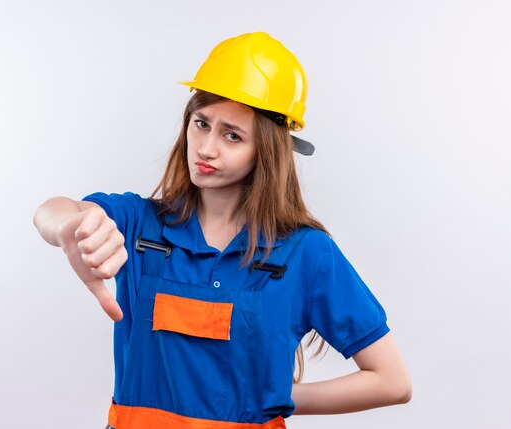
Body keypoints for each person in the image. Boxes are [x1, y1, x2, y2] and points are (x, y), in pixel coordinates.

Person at [34, 32, 411, 429]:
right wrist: (68, 226)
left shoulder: (304, 253)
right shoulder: (140, 224)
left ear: (267, 149)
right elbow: (55, 211)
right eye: (201, 124)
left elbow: (392, 381)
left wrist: (277, 396)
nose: (206, 148)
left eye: (232, 135)